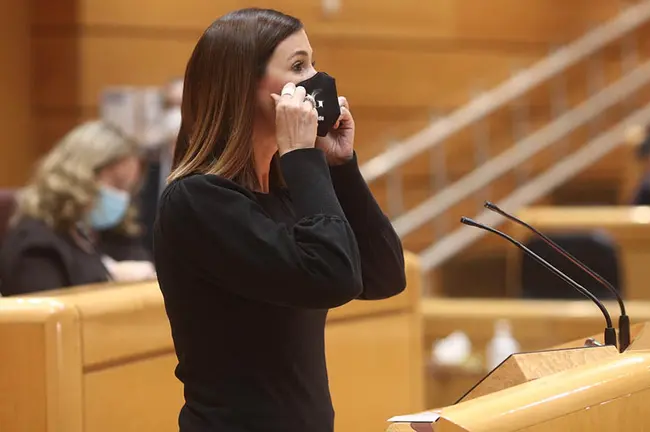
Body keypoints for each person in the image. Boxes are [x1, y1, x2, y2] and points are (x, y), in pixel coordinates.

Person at [153, 8, 406, 432]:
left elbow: (383, 274)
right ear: (244, 85)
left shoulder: (283, 193)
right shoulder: (197, 200)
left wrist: (340, 165)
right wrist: (304, 157)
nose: (316, 78)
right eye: (298, 66)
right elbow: (332, 277)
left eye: (313, 62)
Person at [0, 121, 156, 296]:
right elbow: (49, 315)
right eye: (117, 184)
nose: (122, 198)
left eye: (129, 188)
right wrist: (109, 277)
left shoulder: (95, 230)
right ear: (80, 175)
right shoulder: (35, 246)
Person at [138, 77, 183, 252]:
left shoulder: (214, 163)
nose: (176, 114)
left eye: (182, 105)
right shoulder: (146, 161)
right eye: (170, 106)